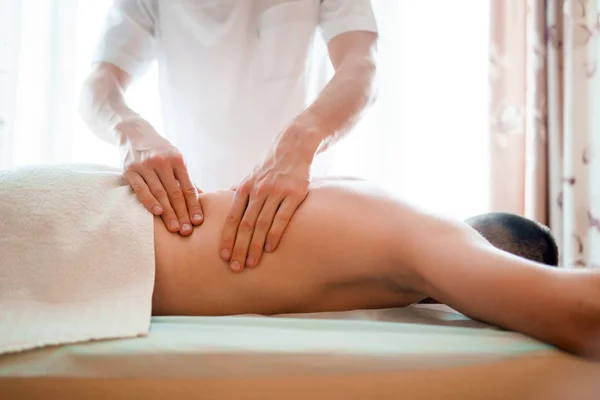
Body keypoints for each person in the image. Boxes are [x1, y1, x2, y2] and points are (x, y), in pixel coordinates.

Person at [0, 164, 597, 358]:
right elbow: (579, 309)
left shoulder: (374, 209)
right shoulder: (431, 239)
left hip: (73, 206)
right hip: (78, 228)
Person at [79, 0, 379, 273]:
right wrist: (131, 131)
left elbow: (361, 65)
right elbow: (99, 84)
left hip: (300, 200)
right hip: (193, 214)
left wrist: (301, 141)